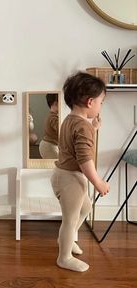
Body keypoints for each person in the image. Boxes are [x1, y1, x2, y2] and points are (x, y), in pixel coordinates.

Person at [51, 71, 110, 272]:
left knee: (85, 208)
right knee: (69, 220)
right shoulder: (82, 127)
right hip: (71, 181)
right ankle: (64, 257)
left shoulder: (70, 120)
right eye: (101, 102)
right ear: (90, 102)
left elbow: (76, 143)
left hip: (61, 175)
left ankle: (66, 240)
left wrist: (93, 128)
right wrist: (98, 183)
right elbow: (85, 160)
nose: (101, 106)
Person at [39, 93, 59, 159]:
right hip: (50, 146)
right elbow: (60, 129)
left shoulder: (51, 116)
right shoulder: (53, 118)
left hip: (48, 145)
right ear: (56, 103)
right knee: (54, 164)